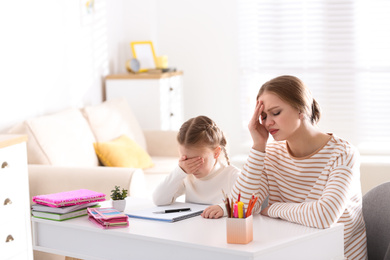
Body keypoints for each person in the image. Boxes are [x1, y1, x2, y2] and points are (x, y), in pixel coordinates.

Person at [211, 75, 367, 260]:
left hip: (334, 254)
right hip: (294, 250)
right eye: (263, 116)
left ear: (301, 109)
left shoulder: (343, 154)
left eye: (275, 113)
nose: (268, 123)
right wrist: (258, 145)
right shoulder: (271, 153)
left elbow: (324, 216)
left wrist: (273, 209)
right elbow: (241, 207)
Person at [152, 115, 241, 219]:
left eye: (197, 160)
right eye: (185, 159)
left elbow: (247, 205)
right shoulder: (186, 174)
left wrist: (224, 209)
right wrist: (180, 171)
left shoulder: (233, 176)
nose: (191, 167)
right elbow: (159, 200)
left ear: (216, 153)